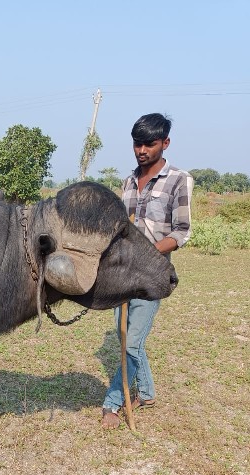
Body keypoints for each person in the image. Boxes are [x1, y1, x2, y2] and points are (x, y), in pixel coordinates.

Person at [101, 113, 193, 428]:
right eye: (137, 144)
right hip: (123, 276)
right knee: (125, 336)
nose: (142, 150)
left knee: (132, 342)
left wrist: (146, 253)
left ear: (165, 143)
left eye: (150, 144)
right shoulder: (127, 182)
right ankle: (148, 392)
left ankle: (112, 403)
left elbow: (182, 232)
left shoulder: (179, 179)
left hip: (152, 276)